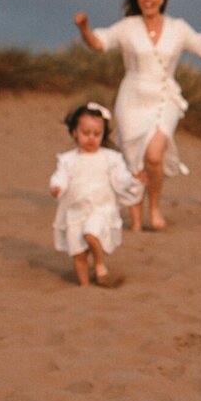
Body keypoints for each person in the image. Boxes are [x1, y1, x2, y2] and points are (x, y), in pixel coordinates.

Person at [73, 0, 201, 231]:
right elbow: (99, 44)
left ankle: (154, 208)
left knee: (154, 155)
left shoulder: (178, 28)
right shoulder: (127, 26)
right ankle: (135, 218)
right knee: (133, 158)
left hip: (164, 97)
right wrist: (84, 28)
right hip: (132, 97)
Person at [50, 101, 145, 286]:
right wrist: (56, 187)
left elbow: (121, 179)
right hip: (75, 212)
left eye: (97, 134)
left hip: (100, 209)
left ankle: (100, 266)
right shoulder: (68, 160)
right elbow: (60, 177)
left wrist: (133, 179)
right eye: (86, 133)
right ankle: (84, 287)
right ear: (74, 132)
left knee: (91, 234)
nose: (91, 138)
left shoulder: (110, 158)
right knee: (78, 255)